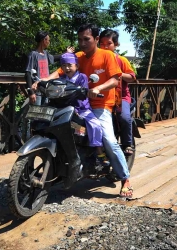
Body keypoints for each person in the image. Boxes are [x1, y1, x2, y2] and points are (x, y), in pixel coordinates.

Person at [47, 24, 133, 198]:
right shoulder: (77, 57)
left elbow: (115, 80)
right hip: (77, 102)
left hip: (101, 104)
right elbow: (58, 72)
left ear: (95, 39)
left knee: (108, 139)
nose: (82, 43)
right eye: (79, 39)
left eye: (86, 39)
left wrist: (98, 88)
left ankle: (125, 179)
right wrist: (42, 80)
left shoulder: (107, 55)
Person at [58, 52, 109, 166]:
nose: (67, 68)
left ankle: (99, 152)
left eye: (69, 65)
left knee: (95, 124)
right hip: (65, 109)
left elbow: (83, 92)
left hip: (81, 109)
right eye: (64, 65)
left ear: (77, 66)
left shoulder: (82, 77)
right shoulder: (61, 78)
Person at [99, 29, 136, 156]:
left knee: (124, 118)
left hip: (121, 98)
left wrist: (120, 74)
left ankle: (127, 143)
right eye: (102, 44)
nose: (104, 46)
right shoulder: (97, 60)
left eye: (108, 44)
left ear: (116, 45)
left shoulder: (121, 60)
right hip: (102, 98)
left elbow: (132, 77)